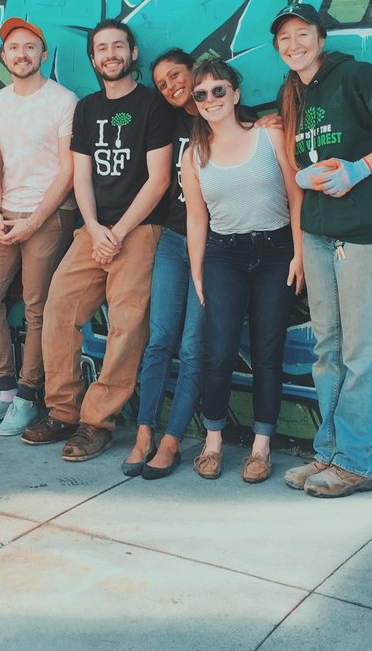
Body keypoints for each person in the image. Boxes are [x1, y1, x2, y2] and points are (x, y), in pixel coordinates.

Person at [271, 3, 372, 498]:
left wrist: (361, 169)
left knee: (359, 350)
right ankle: (331, 450)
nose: (293, 44)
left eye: (302, 34)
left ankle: (359, 463)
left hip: (366, 233)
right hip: (319, 230)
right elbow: (306, 158)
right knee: (327, 349)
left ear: (321, 37)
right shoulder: (291, 93)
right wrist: (302, 173)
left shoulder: (356, 76)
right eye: (284, 39)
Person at [22, 19, 172, 462]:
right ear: (93, 58)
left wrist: (120, 231)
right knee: (59, 309)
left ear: (133, 53)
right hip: (93, 230)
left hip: (140, 230)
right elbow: (81, 175)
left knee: (126, 328)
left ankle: (97, 422)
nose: (110, 54)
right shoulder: (86, 109)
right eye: (101, 48)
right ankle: (63, 411)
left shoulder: (153, 106)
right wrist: (94, 226)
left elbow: (159, 179)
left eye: (118, 46)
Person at [180, 59, 303, 483]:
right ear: (194, 104)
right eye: (201, 94)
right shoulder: (193, 154)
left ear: (235, 93)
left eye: (219, 90)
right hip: (223, 255)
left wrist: (299, 254)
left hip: (276, 250)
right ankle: (212, 442)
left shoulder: (269, 134)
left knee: (268, 353)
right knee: (219, 351)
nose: (211, 99)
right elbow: (196, 219)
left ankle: (260, 448)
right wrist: (197, 270)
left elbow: (296, 195)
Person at [0, 17, 77, 436]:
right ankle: (5, 389)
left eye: (30, 47)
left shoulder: (63, 101)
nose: (22, 54)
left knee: (36, 307)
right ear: (4, 56)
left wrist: (34, 220)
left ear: (43, 55)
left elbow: (68, 169)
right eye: (14, 48)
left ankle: (30, 397)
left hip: (49, 215)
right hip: (5, 214)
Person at [122, 49, 206, 479]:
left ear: (195, 71)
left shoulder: (227, 110)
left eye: (176, 75)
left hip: (216, 246)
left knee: (192, 346)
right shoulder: (168, 124)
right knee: (158, 340)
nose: (171, 85)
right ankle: (144, 433)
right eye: (162, 82)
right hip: (174, 238)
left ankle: (172, 440)